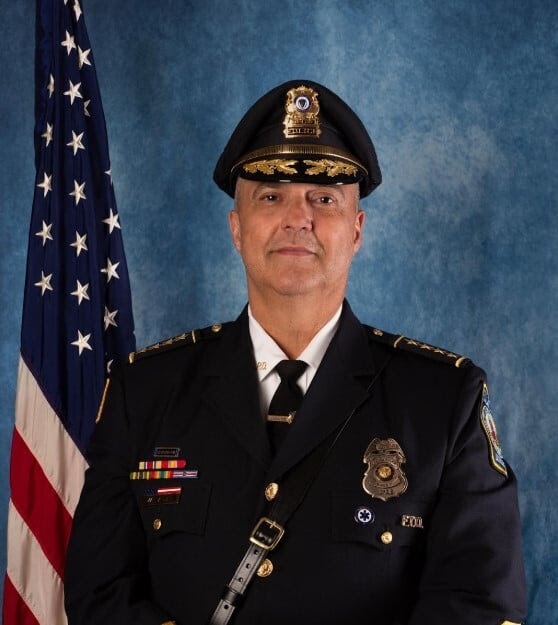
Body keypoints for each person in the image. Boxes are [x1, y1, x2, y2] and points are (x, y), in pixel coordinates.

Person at [65, 80, 527, 625]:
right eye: (270, 196)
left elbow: (480, 603)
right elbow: (99, 594)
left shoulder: (442, 401)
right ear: (237, 228)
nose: (296, 218)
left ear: (356, 231)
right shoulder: (144, 392)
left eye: (323, 199)